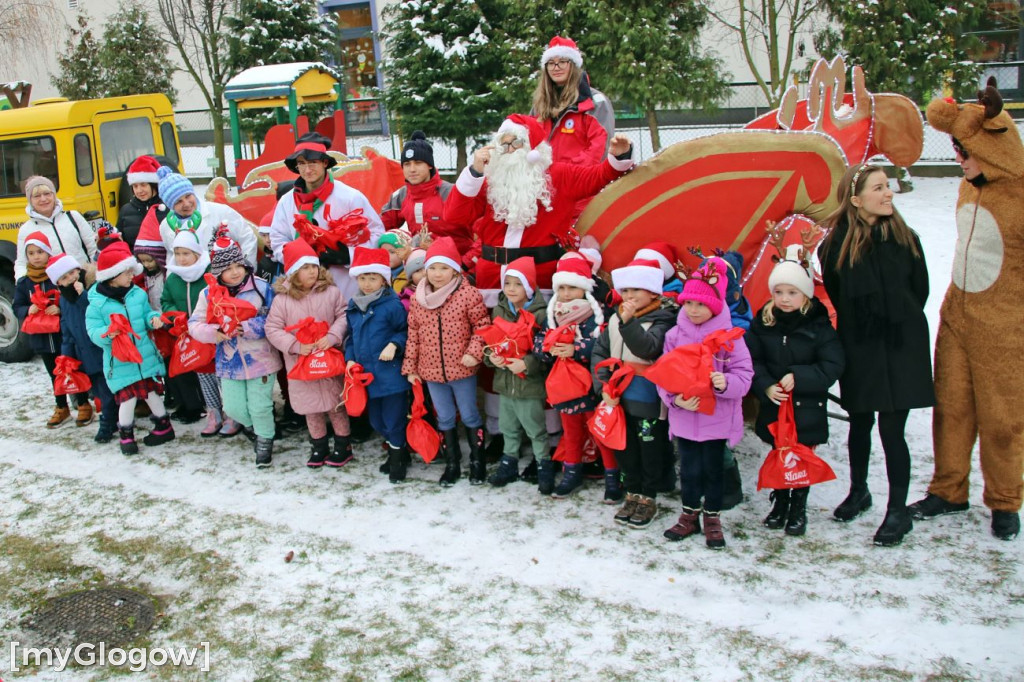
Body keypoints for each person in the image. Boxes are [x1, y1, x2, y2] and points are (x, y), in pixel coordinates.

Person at [911, 86, 1024, 541]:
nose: (960, 160)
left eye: (966, 152)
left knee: (1002, 417)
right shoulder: (966, 187)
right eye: (956, 152)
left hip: (1004, 326)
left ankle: (1004, 500)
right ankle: (948, 490)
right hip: (956, 315)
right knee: (951, 408)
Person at [818, 163, 934, 547]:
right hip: (861, 345)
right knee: (861, 420)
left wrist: (894, 318)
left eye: (888, 187)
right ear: (856, 199)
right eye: (879, 188)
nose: (889, 193)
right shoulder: (833, 246)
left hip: (902, 344)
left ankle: (898, 511)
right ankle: (859, 490)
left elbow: (920, 290)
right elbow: (837, 294)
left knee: (892, 430)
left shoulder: (906, 239)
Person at [444, 114, 635, 306]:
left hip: (538, 282)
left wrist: (619, 156)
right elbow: (454, 216)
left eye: (516, 143)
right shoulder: (490, 181)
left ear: (532, 146)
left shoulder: (559, 175)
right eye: (504, 144)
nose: (509, 150)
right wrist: (474, 173)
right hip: (492, 282)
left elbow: (599, 176)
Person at [746, 239, 844, 536]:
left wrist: (800, 376)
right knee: (778, 452)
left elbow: (832, 365)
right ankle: (780, 502)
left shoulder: (818, 326)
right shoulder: (764, 323)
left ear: (805, 295)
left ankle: (798, 505)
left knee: (799, 455)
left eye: (792, 292)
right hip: (775, 405)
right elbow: (752, 361)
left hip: (806, 407)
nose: (785, 299)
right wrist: (764, 386)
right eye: (778, 292)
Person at [659, 258, 753, 549]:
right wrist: (675, 400)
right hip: (686, 419)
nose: (694, 310)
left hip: (716, 420)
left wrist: (727, 384)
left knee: (713, 470)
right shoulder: (675, 336)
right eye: (688, 304)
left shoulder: (731, 339)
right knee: (688, 470)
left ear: (714, 305)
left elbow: (744, 374)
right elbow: (665, 375)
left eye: (700, 305)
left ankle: (712, 517)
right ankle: (689, 514)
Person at [592, 258, 678, 525]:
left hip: (647, 399)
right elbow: (600, 352)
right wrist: (604, 387)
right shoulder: (617, 319)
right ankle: (632, 491)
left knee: (649, 448)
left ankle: (648, 496)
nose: (628, 296)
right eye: (625, 291)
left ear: (653, 292)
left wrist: (628, 323)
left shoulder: (664, 321)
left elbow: (647, 348)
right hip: (619, 398)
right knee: (625, 448)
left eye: (635, 291)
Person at [402, 237, 490, 487]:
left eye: (444, 268)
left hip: (462, 367)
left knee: (470, 414)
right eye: (432, 268)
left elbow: (482, 326)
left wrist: (474, 352)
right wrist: (411, 367)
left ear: (454, 269)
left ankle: (477, 460)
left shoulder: (467, 294)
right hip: (430, 370)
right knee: (445, 417)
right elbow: (414, 334)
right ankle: (452, 462)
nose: (437, 274)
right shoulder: (419, 299)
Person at [189, 235, 282, 468]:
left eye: (238, 265)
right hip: (229, 362)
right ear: (217, 270)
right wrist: (214, 332)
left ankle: (264, 440)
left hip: (261, 359)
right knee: (234, 408)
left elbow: (275, 319)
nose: (235, 272)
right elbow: (195, 323)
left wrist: (249, 327)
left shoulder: (260, 287)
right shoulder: (208, 295)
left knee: (260, 406)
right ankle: (254, 427)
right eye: (228, 268)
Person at [266, 240, 352, 468]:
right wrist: (294, 345)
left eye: (314, 266)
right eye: (305, 268)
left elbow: (344, 316)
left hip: (329, 361)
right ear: (293, 273)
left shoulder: (332, 292)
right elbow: (272, 328)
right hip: (301, 365)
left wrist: (333, 337)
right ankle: (319, 446)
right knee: (310, 409)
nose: (312, 271)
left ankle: (343, 445)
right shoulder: (282, 300)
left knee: (336, 406)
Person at [533, 257, 615, 498]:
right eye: (562, 288)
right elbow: (539, 342)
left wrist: (576, 349)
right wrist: (549, 348)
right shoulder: (554, 314)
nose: (566, 294)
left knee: (600, 432)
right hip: (565, 387)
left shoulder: (597, 315)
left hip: (591, 386)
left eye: (572, 287)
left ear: (585, 288)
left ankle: (612, 477)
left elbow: (604, 345)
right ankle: (572, 472)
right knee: (571, 433)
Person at [269, 133, 385, 300]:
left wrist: (348, 254)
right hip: (302, 286)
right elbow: (278, 239)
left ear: (324, 162)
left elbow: (377, 234)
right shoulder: (287, 202)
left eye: (313, 163)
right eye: (301, 164)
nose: (307, 170)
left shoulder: (350, 197)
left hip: (344, 283)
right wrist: (300, 259)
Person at [84, 241, 174, 455]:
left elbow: (146, 314)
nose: (131, 277)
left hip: (144, 356)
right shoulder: (97, 304)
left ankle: (164, 426)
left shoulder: (138, 294)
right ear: (112, 277)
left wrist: (153, 319)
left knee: (152, 393)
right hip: (122, 360)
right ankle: (126, 434)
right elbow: (93, 332)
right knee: (128, 399)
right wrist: (107, 333)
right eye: (126, 273)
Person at [483, 257, 551, 490]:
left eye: (517, 284)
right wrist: (491, 357)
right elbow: (492, 342)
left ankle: (543, 464)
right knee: (508, 426)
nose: (511, 289)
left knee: (535, 427)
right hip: (505, 382)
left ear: (529, 287)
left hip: (529, 385)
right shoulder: (500, 310)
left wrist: (527, 364)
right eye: (507, 283)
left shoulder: (541, 314)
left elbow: (546, 351)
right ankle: (509, 461)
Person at [343, 247, 410, 482]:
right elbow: (350, 337)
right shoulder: (353, 306)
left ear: (383, 279)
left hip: (391, 375)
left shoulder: (392, 305)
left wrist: (394, 344)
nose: (368, 283)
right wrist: (349, 357)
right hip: (367, 376)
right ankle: (398, 451)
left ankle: (398, 459)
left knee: (394, 420)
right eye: (363, 278)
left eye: (373, 278)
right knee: (376, 421)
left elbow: (405, 331)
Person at [14, 232, 91, 427]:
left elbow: (69, 299)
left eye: (40, 251)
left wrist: (58, 308)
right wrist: (27, 309)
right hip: (40, 337)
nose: (36, 256)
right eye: (31, 253)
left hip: (61, 335)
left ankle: (83, 404)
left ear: (48, 253)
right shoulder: (24, 283)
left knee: (73, 368)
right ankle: (61, 406)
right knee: (54, 373)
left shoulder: (57, 277)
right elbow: (17, 306)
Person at [161, 230, 227, 436]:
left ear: (197, 254)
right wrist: (175, 318)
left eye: (186, 254)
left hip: (211, 333)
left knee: (222, 376)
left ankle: (233, 413)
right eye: (178, 254)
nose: (181, 259)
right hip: (190, 336)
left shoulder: (208, 274)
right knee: (204, 374)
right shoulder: (173, 278)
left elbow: (218, 298)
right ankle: (213, 412)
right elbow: (166, 301)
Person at [46, 252, 118, 442]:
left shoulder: (92, 290)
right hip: (83, 354)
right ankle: (113, 417)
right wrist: (67, 357)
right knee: (97, 390)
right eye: (64, 277)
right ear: (59, 283)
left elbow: (97, 312)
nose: (70, 278)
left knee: (106, 390)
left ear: (78, 270)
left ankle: (107, 424)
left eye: (72, 273)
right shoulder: (63, 299)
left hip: (100, 349)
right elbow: (67, 329)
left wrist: (82, 295)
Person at [380, 131, 471, 253]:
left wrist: (465, 265)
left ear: (429, 165)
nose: (412, 169)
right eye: (407, 164)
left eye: (418, 163)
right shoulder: (401, 196)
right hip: (418, 265)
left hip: (456, 265)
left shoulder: (450, 193)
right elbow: (379, 229)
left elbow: (480, 233)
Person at [532, 36, 615, 167]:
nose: (556, 67)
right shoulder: (540, 104)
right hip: (545, 182)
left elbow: (600, 147)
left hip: (580, 180)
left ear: (574, 65)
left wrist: (570, 174)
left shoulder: (596, 102)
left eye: (562, 61)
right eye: (551, 63)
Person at [155, 166, 257, 267]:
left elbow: (247, 237)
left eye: (188, 196)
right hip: (189, 281)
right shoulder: (166, 226)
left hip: (224, 279)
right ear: (171, 206)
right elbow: (171, 256)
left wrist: (246, 268)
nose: (186, 203)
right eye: (178, 201)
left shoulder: (220, 211)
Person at [15, 175, 97, 280]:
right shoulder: (26, 229)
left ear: (54, 195)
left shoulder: (73, 216)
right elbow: (22, 263)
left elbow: (93, 247)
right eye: (37, 196)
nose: (43, 199)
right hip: (54, 287)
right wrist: (22, 282)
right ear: (30, 200)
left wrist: (97, 273)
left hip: (85, 280)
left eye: (47, 194)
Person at [116, 155, 167, 249]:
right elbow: (120, 242)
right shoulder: (126, 211)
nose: (139, 190)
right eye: (135, 186)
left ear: (154, 185)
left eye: (143, 185)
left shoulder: (168, 208)